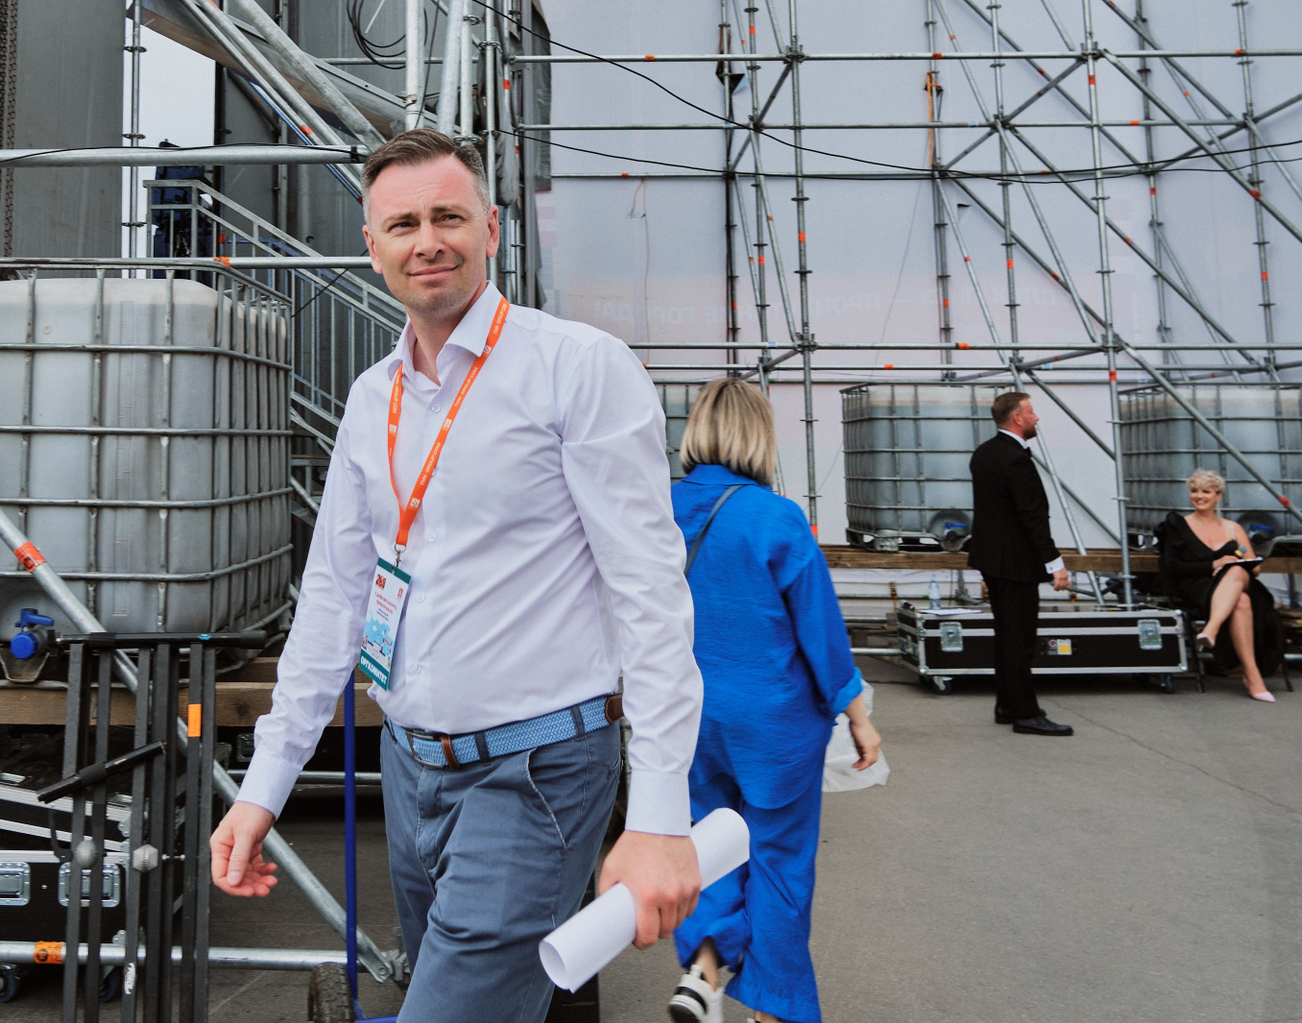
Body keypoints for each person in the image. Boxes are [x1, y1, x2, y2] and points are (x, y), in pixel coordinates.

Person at [208, 128, 704, 1023]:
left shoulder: (576, 367)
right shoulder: (373, 398)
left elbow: (651, 594)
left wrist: (661, 813)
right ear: (373, 247)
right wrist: (264, 786)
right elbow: (335, 599)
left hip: (538, 771)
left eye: (449, 216)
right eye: (403, 225)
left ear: (492, 228)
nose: (427, 241)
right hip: (411, 772)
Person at [664, 378, 880, 1023]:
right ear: (759, 436)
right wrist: (858, 715)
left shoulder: (659, 509)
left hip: (690, 716)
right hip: (775, 725)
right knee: (779, 861)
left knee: (707, 844)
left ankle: (703, 970)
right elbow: (821, 631)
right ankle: (772, 1009)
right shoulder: (776, 517)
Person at [966, 392, 1074, 736]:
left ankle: (1007, 705)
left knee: (1005, 635)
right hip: (1015, 563)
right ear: (1017, 418)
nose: (1036, 417)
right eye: (1031, 412)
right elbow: (1031, 516)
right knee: (1020, 639)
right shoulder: (1015, 458)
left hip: (992, 560)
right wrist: (1054, 563)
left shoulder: (984, 453)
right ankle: (1025, 712)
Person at [1154, 469, 1280, 701]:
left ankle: (1211, 629)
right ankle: (1252, 676)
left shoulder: (1233, 528)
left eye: (1206, 491)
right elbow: (1173, 568)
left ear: (1218, 496)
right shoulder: (1178, 526)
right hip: (1198, 587)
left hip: (1236, 581)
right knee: (1241, 601)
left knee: (1237, 571)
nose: (1199, 496)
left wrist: (1236, 560)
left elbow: (1256, 569)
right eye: (1194, 491)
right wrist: (1215, 564)